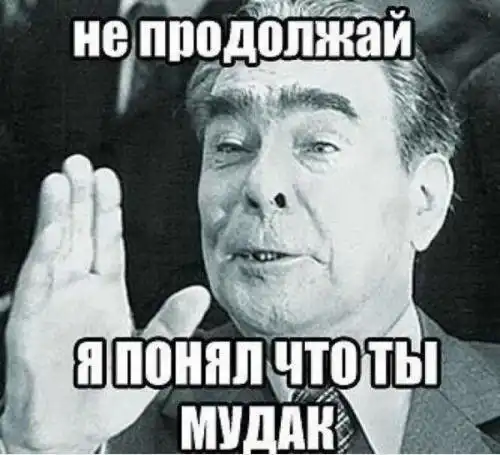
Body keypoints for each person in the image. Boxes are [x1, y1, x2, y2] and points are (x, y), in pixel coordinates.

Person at [1, 0, 500, 453]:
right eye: (230, 147)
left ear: (425, 199)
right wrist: (42, 450)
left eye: (319, 145)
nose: (260, 183)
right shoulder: (110, 420)